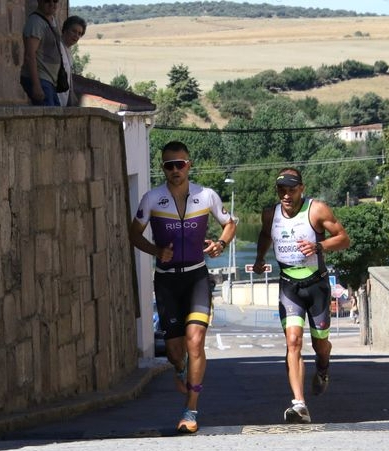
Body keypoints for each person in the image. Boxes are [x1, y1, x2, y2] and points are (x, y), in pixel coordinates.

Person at [129, 141, 236, 434]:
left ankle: (191, 409)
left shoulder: (207, 196)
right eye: (169, 165)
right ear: (162, 168)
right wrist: (154, 250)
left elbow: (229, 224)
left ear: (189, 165)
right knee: (176, 352)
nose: (175, 170)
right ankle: (179, 368)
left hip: (197, 277)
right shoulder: (152, 199)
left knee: (195, 340)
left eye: (180, 164)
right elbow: (133, 233)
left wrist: (221, 243)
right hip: (166, 280)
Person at [252, 168, 350, 424]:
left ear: (301, 189)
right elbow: (265, 234)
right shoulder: (270, 214)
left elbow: (343, 238)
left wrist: (319, 246)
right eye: (282, 190)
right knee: (293, 342)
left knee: (320, 345)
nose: (286, 195)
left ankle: (323, 368)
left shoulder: (317, 210)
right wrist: (260, 258)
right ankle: (299, 404)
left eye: (291, 190)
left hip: (316, 286)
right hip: (289, 286)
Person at [20, 0, 63, 106]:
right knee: (50, 118)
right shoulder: (36, 22)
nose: (52, 3)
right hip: (41, 79)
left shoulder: (52, 21)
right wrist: (36, 85)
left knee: (56, 118)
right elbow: (30, 55)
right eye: (48, 0)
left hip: (49, 80)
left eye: (55, 0)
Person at [58, 15, 87, 107]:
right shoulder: (57, 47)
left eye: (79, 33)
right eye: (74, 31)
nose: (76, 36)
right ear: (65, 30)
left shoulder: (68, 51)